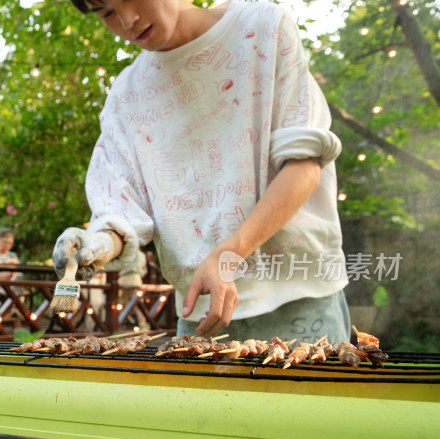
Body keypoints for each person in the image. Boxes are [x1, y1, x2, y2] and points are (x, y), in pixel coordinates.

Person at [52, 0, 350, 343]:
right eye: (106, 13)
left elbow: (304, 166)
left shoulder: (262, 27)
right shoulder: (126, 96)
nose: (128, 20)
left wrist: (228, 255)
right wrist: (99, 242)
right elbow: (121, 209)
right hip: (200, 318)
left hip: (300, 301)